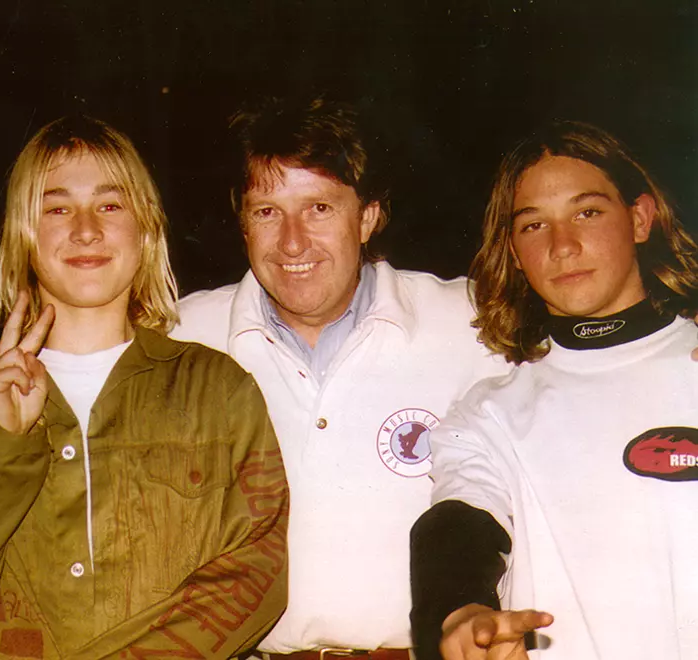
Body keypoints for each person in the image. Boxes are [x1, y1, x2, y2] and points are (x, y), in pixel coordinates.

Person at [0, 115, 289, 660]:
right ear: (24, 233)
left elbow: (255, 576)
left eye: (110, 206)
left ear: (146, 228)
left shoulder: (218, 391)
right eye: (57, 208)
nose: (86, 230)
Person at [172, 98, 506, 658]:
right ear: (242, 222)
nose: (293, 242)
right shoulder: (183, 337)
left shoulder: (474, 324)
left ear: (368, 217)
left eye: (319, 208)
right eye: (267, 211)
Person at [410, 120, 698, 660]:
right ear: (514, 251)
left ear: (639, 219)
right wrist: (461, 612)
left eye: (587, 212)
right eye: (534, 225)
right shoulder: (489, 413)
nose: (563, 246)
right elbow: (460, 522)